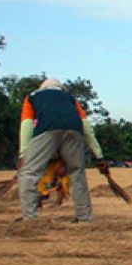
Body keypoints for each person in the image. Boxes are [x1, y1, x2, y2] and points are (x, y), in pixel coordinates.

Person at [18, 78, 108, 222]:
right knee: (77, 172)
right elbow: (87, 128)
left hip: (46, 131)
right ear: (60, 89)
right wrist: (99, 156)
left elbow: (27, 125)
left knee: (29, 173)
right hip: (74, 131)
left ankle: (30, 218)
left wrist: (23, 154)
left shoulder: (32, 97)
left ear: (42, 88)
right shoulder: (71, 99)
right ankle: (84, 217)